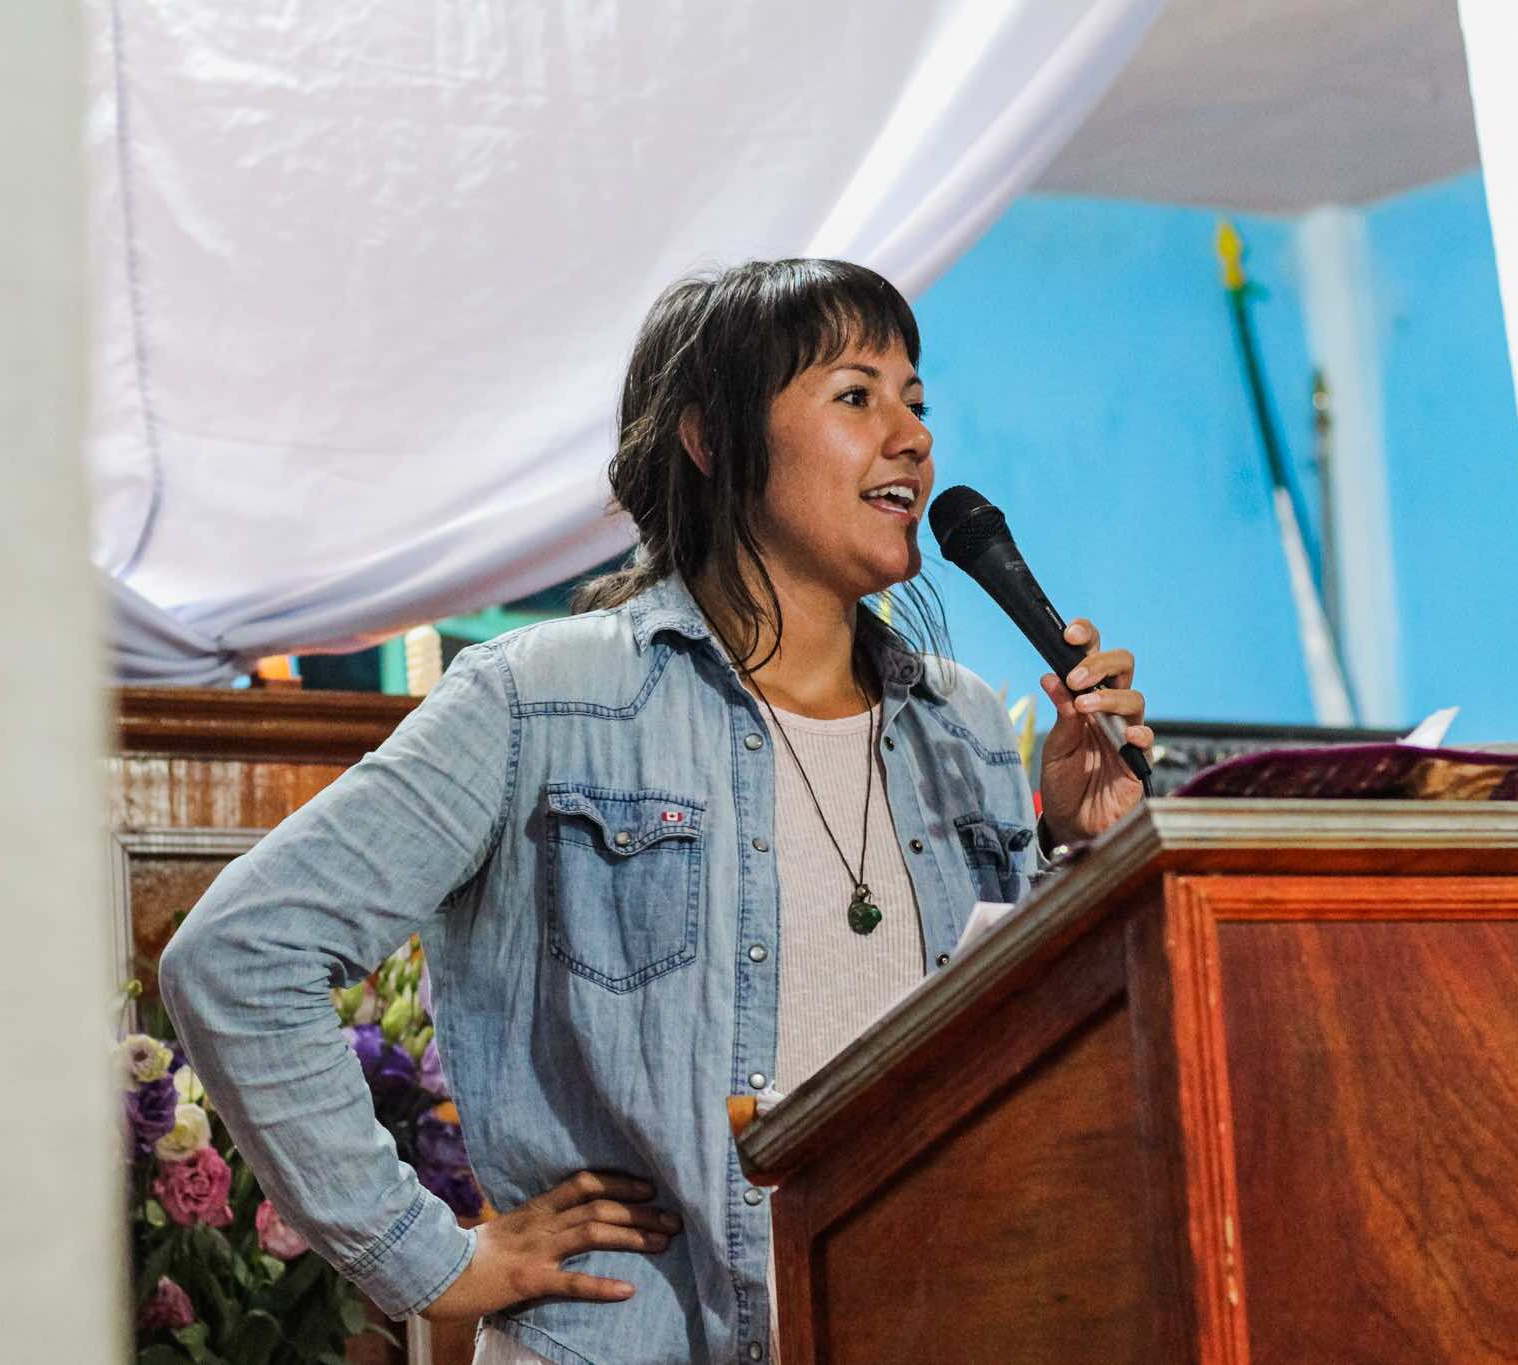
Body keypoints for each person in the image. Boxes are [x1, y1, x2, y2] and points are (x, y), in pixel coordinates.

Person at [160, 258, 1152, 1365]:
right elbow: (241, 956)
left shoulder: (962, 723)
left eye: (916, 400)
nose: (912, 437)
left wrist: (1087, 848)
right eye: (856, 395)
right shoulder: (543, 697)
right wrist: (427, 1260)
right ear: (710, 439)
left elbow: (1021, 1077)